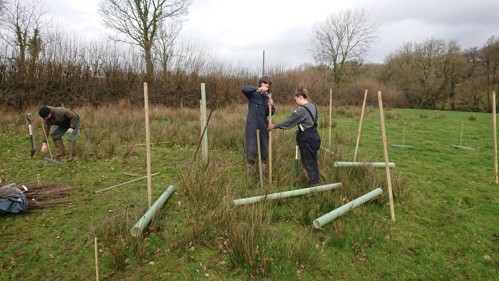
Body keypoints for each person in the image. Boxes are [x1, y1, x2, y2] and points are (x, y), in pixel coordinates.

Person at [268, 85, 321, 186]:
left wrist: (274, 126)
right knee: (313, 161)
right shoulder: (314, 107)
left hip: (307, 140)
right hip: (315, 137)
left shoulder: (301, 110)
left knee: (308, 164)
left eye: (295, 99)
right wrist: (301, 128)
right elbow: (310, 122)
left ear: (300, 97)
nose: (295, 102)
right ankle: (316, 183)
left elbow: (289, 122)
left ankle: (313, 186)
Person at [241, 76, 276, 181]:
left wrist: (272, 106)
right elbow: (243, 89)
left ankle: (263, 175)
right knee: (251, 149)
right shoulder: (253, 94)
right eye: (266, 85)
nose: (267, 87)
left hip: (263, 126)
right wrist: (258, 89)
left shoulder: (268, 98)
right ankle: (250, 177)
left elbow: (270, 113)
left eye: (269, 86)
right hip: (252, 125)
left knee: (264, 150)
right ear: (261, 84)